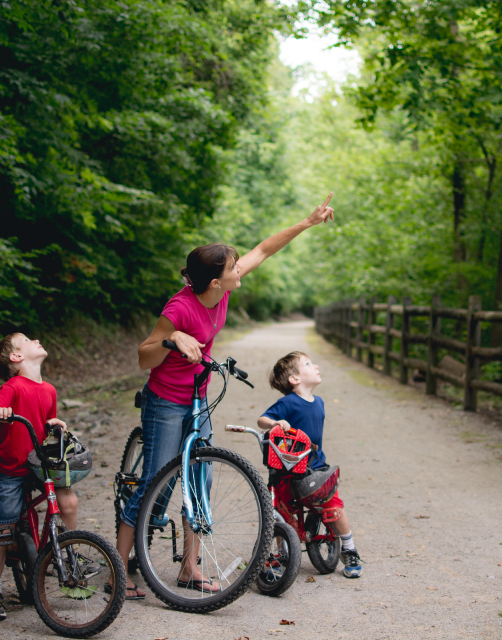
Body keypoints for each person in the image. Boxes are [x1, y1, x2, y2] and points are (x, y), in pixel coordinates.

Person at [116, 193, 336, 598]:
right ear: (216, 281)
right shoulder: (179, 308)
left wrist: (307, 222)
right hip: (165, 401)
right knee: (155, 486)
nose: (241, 270)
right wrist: (173, 336)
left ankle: (189, 568)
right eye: (234, 268)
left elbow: (264, 249)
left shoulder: (224, 289)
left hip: (199, 400)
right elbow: (144, 356)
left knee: (201, 479)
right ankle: (120, 571)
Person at [0, 334, 76, 623]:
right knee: (4, 528)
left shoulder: (49, 390)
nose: (35, 339)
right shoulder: (12, 386)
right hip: (12, 468)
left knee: (68, 501)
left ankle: (66, 553)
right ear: (16, 357)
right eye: (26, 340)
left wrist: (54, 425)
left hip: (39, 465)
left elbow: (46, 427)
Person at [258, 351, 363, 578]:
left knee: (334, 507)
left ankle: (349, 548)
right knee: (282, 511)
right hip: (289, 469)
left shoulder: (320, 402)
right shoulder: (287, 403)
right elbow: (262, 420)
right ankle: (282, 552)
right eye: (308, 364)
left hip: (315, 468)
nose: (315, 366)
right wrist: (277, 422)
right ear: (295, 379)